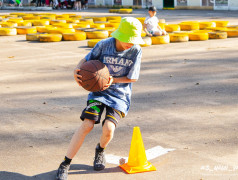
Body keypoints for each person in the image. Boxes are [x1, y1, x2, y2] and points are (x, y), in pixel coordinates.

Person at [55, 17, 144, 180]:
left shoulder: (136, 50)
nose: (130, 44)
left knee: (109, 129)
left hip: (119, 96)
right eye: (127, 40)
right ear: (118, 35)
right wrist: (77, 69)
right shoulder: (104, 45)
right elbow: (86, 60)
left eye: (133, 40)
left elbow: (133, 78)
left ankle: (100, 150)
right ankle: (65, 163)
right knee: (87, 125)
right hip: (98, 93)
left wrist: (112, 80)